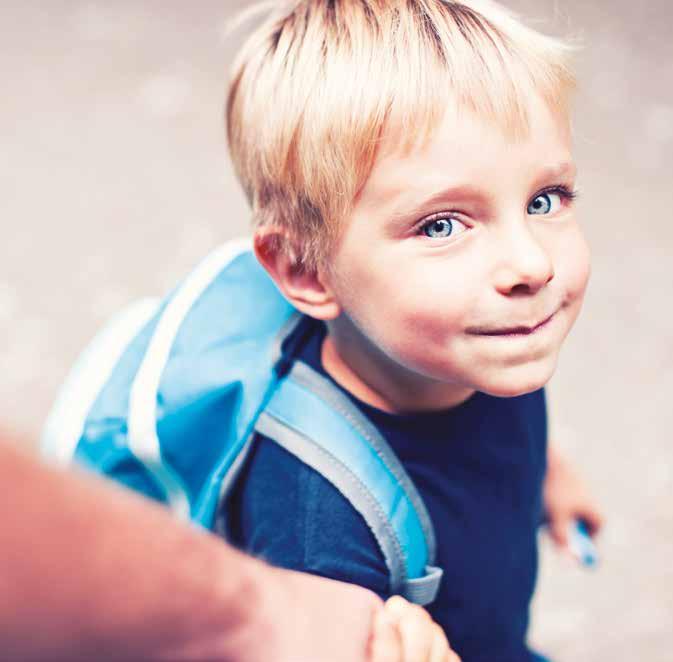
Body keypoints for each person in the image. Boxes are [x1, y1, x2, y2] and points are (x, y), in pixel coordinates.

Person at [221, 1, 603, 661]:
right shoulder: (315, 533)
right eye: (441, 225)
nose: (530, 265)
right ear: (305, 268)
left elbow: (501, 433)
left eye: (544, 200)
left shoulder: (470, 345)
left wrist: (547, 473)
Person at [0, 434, 459, 661]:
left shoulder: (485, 360)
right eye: (437, 237)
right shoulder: (319, 530)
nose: (533, 266)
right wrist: (256, 619)